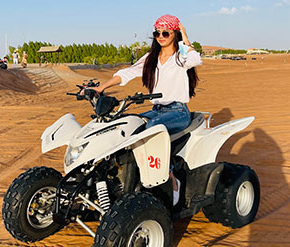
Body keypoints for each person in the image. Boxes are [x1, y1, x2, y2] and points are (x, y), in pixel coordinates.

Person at [85, 14, 202, 205]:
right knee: (127, 126)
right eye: (158, 33)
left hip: (177, 111)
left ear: (174, 33)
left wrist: (185, 36)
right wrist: (100, 88)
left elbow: (196, 59)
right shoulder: (150, 58)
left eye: (166, 32)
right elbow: (126, 73)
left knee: (153, 129)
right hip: (156, 109)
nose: (161, 36)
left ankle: (172, 179)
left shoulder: (181, 58)